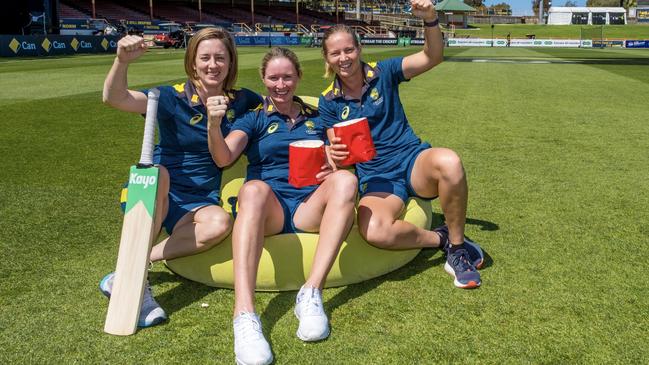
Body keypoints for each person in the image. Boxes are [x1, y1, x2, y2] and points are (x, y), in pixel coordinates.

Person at [99, 28, 262, 328]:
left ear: (230, 62)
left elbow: (278, 104)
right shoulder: (170, 98)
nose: (212, 65)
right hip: (155, 190)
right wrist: (121, 62)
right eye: (205, 58)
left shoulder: (243, 101)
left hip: (199, 201)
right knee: (159, 174)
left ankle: (131, 269)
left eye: (220, 58)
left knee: (220, 223)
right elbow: (115, 98)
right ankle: (136, 282)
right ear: (192, 62)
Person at [318, 0, 485, 289]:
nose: (344, 57)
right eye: (336, 53)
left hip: (411, 161)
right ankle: (442, 238)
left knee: (450, 161)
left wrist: (430, 19)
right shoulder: (328, 101)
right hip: (377, 178)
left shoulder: (384, 72)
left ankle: (458, 251)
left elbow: (432, 56)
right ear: (327, 58)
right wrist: (336, 156)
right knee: (374, 230)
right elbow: (342, 161)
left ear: (359, 50)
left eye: (349, 49)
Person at [207, 47, 358, 365]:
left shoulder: (317, 118)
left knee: (347, 182)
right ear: (263, 79)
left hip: (308, 206)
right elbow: (224, 158)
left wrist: (334, 164)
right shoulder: (254, 118)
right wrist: (213, 124)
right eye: (273, 77)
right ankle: (245, 315)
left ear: (299, 77)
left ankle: (311, 293)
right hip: (269, 210)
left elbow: (343, 156)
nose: (281, 84)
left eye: (287, 77)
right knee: (252, 190)